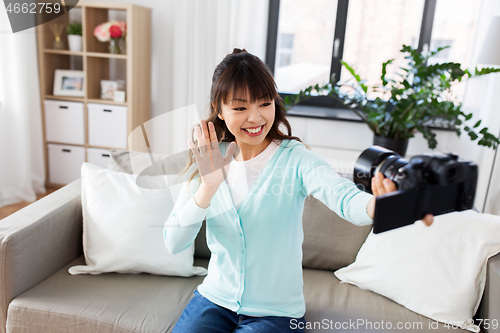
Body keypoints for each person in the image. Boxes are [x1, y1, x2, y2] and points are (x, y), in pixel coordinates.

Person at [164, 48, 434, 333]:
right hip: (214, 301)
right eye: (240, 108)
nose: (255, 118)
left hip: (275, 313)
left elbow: (344, 197)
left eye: (264, 104)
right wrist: (208, 187)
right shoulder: (209, 159)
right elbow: (174, 242)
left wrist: (384, 204)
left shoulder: (295, 158)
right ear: (219, 109)